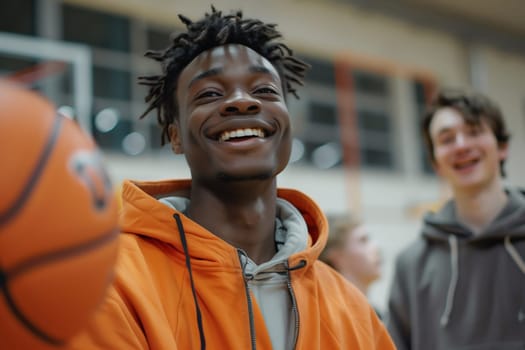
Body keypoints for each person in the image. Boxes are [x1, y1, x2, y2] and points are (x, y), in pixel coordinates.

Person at [67, 7, 394, 350]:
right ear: (175, 135)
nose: (241, 101)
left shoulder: (353, 310)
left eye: (265, 90)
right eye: (209, 94)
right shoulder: (112, 281)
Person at [386, 89, 525, 350]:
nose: (461, 145)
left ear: (502, 147)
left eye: (474, 132)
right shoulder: (411, 265)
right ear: (435, 162)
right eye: (447, 139)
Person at [320, 215, 382, 298]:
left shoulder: (376, 310)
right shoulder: (327, 309)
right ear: (336, 257)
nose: (376, 247)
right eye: (363, 240)